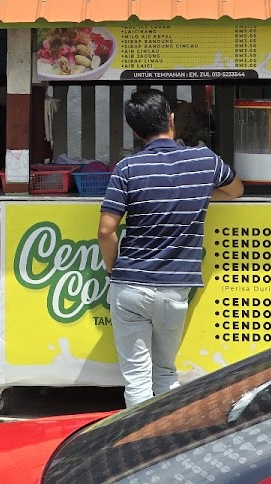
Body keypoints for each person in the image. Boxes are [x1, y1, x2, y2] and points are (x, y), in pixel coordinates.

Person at [97, 89, 243, 407]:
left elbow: (106, 231)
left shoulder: (126, 169)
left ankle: (136, 446)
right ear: (172, 120)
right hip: (174, 290)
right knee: (165, 373)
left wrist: (113, 268)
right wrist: (201, 195)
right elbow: (236, 190)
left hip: (130, 286)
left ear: (136, 132)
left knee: (136, 379)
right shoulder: (205, 159)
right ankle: (168, 445)